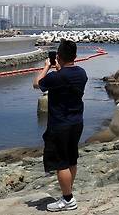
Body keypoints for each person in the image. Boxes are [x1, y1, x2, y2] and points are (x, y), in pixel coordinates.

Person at [33, 39, 88, 212]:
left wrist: (46, 66)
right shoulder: (82, 73)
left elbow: (37, 84)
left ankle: (68, 200)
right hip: (76, 122)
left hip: (59, 125)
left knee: (61, 163)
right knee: (72, 159)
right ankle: (68, 193)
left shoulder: (55, 76)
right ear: (76, 56)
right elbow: (66, 78)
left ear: (58, 56)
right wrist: (59, 67)